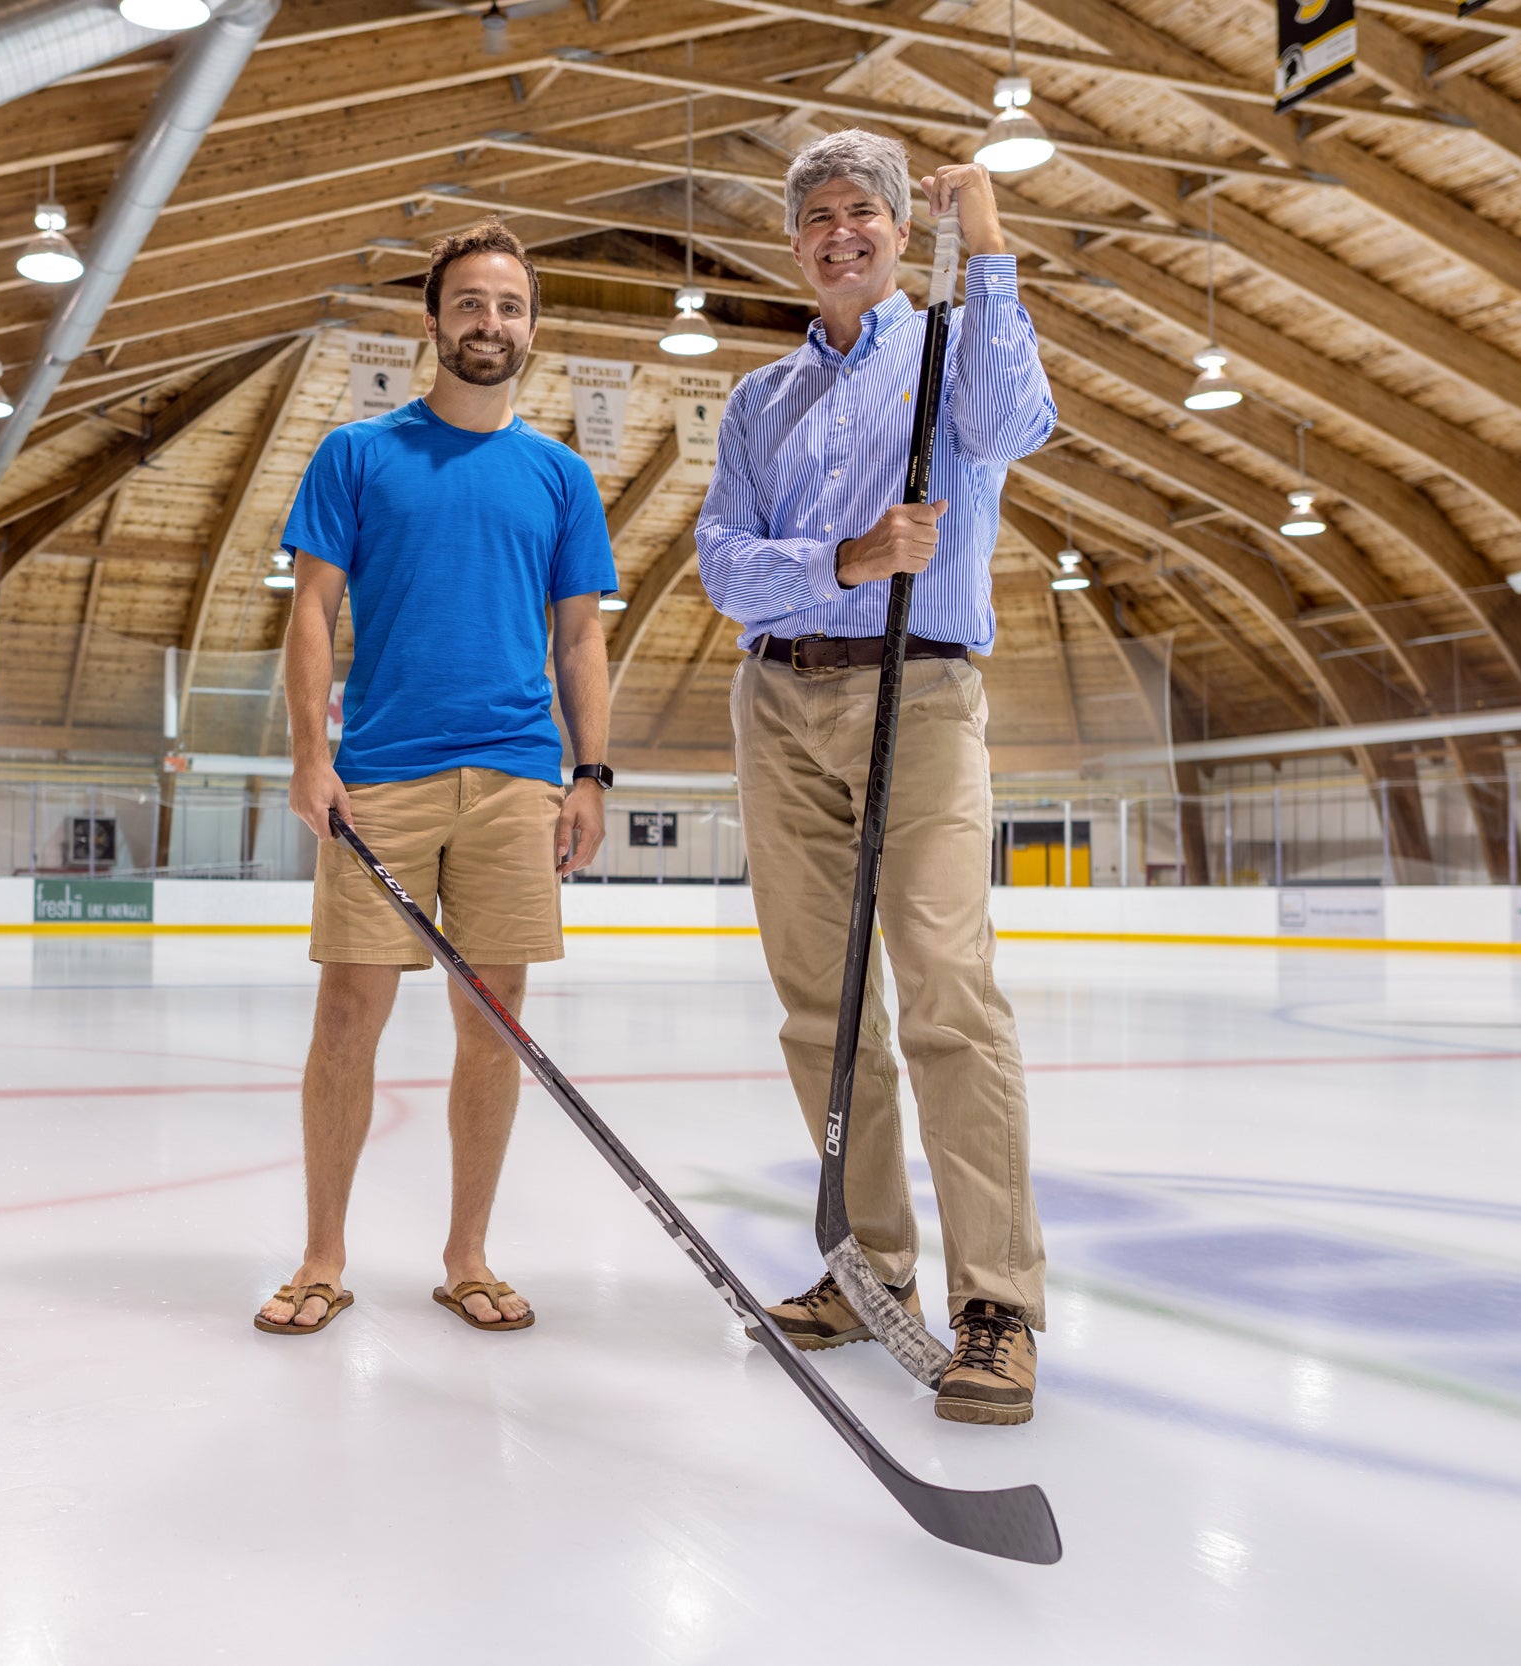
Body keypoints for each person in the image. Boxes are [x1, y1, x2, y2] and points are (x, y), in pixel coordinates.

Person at [696, 131, 1055, 1423]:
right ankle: (867, 1265)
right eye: (817, 217)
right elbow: (725, 564)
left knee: (947, 993)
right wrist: (844, 560)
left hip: (923, 689)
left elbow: (1018, 423)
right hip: (779, 693)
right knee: (818, 1002)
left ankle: (996, 1301)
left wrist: (994, 244)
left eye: (864, 213)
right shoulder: (755, 400)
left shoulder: (952, 352)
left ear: (904, 233)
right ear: (793, 244)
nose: (839, 232)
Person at [255, 221, 617, 1338]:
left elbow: (578, 641)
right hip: (383, 778)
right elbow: (310, 608)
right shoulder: (358, 455)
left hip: (515, 780)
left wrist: (589, 770)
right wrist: (311, 754)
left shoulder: (560, 475)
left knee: (492, 1022)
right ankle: (323, 1251)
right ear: (432, 320)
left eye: (508, 306)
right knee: (348, 1015)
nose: (488, 323)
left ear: (532, 328)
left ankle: (466, 1252)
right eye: (468, 303)